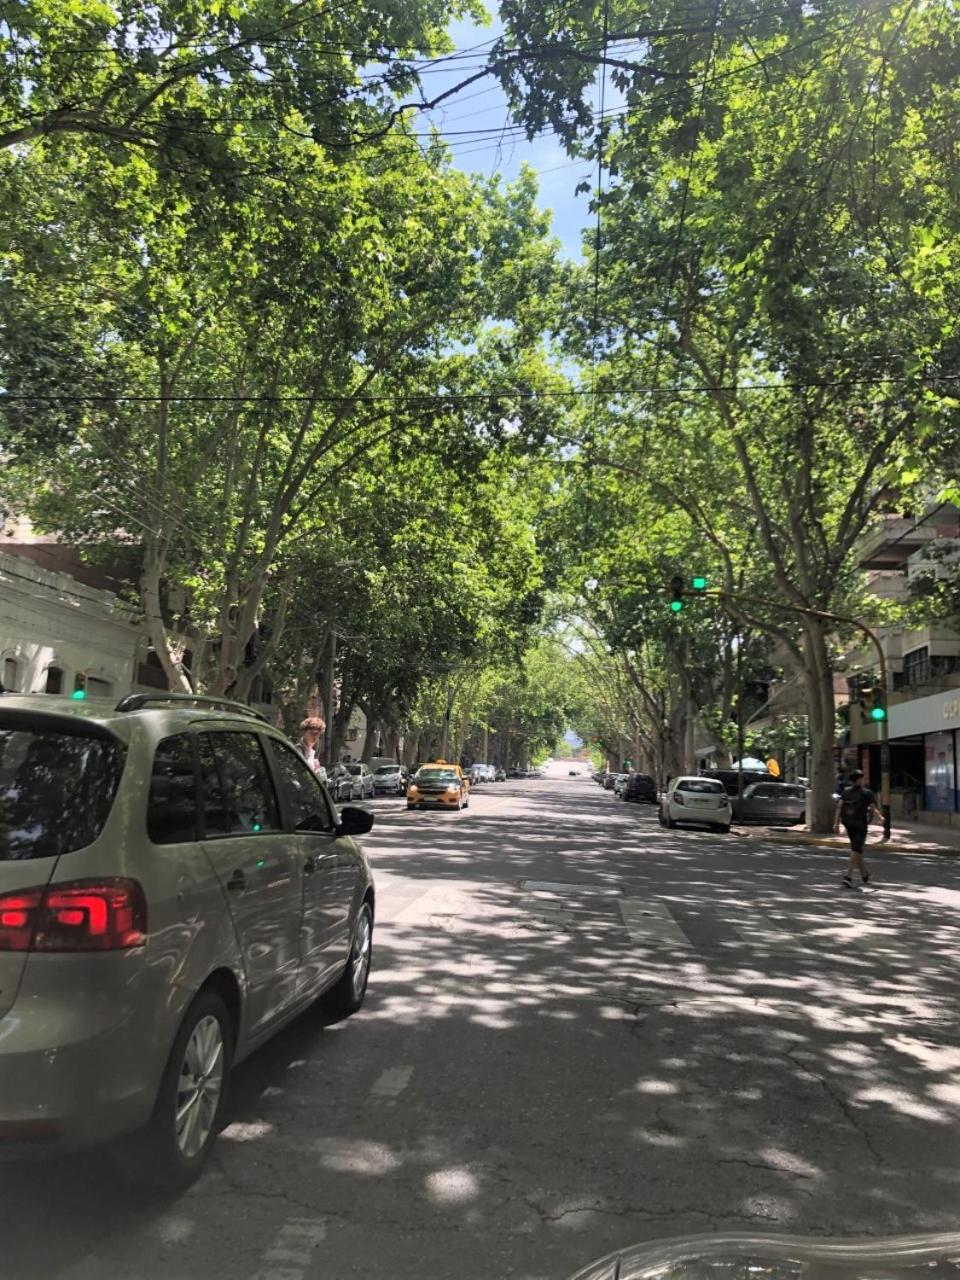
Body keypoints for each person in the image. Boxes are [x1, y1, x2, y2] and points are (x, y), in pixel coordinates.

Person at [834, 769, 881, 889]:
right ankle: (848, 877)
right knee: (856, 849)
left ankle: (864, 874)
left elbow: (839, 808)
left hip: (848, 824)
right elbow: (873, 808)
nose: (863, 780)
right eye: (862, 778)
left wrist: (836, 823)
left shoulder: (845, 792)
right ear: (859, 779)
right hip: (860, 825)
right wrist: (880, 818)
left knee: (856, 849)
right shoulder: (867, 793)